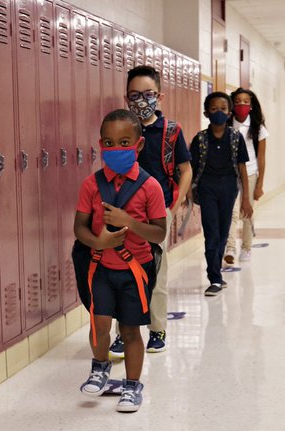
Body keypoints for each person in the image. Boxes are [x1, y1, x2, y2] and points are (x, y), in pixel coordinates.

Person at [74, 109, 167, 413]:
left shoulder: (149, 186)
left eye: (124, 142)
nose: (116, 149)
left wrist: (129, 221)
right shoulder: (92, 184)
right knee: (99, 323)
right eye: (109, 143)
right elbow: (80, 228)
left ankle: (132, 386)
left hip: (134, 271)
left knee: (129, 331)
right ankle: (99, 367)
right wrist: (97, 242)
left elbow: (159, 233)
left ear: (138, 145)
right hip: (101, 267)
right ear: (100, 144)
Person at [108, 66, 193, 358]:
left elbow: (185, 168)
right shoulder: (121, 128)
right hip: (122, 211)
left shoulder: (171, 131)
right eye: (135, 95)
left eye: (148, 95)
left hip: (158, 212)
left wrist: (177, 200)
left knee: (156, 270)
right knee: (122, 271)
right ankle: (124, 333)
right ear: (125, 97)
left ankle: (157, 329)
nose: (141, 101)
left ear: (160, 96)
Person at [190, 91, 252, 297]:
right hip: (206, 188)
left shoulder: (236, 138)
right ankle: (214, 278)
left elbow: (242, 168)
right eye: (214, 109)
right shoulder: (199, 139)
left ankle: (217, 273)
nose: (219, 113)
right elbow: (191, 169)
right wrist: (187, 194)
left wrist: (246, 198)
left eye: (223, 109)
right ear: (206, 113)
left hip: (229, 189)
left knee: (224, 233)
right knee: (211, 233)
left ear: (229, 113)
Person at [225, 88, 268, 264]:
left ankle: (246, 248)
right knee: (231, 212)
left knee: (247, 212)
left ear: (251, 106)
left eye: (245, 101)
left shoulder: (258, 128)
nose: (241, 105)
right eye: (238, 101)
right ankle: (230, 248)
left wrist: (259, 185)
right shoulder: (227, 125)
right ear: (232, 105)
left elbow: (262, 158)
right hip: (230, 175)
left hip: (250, 173)